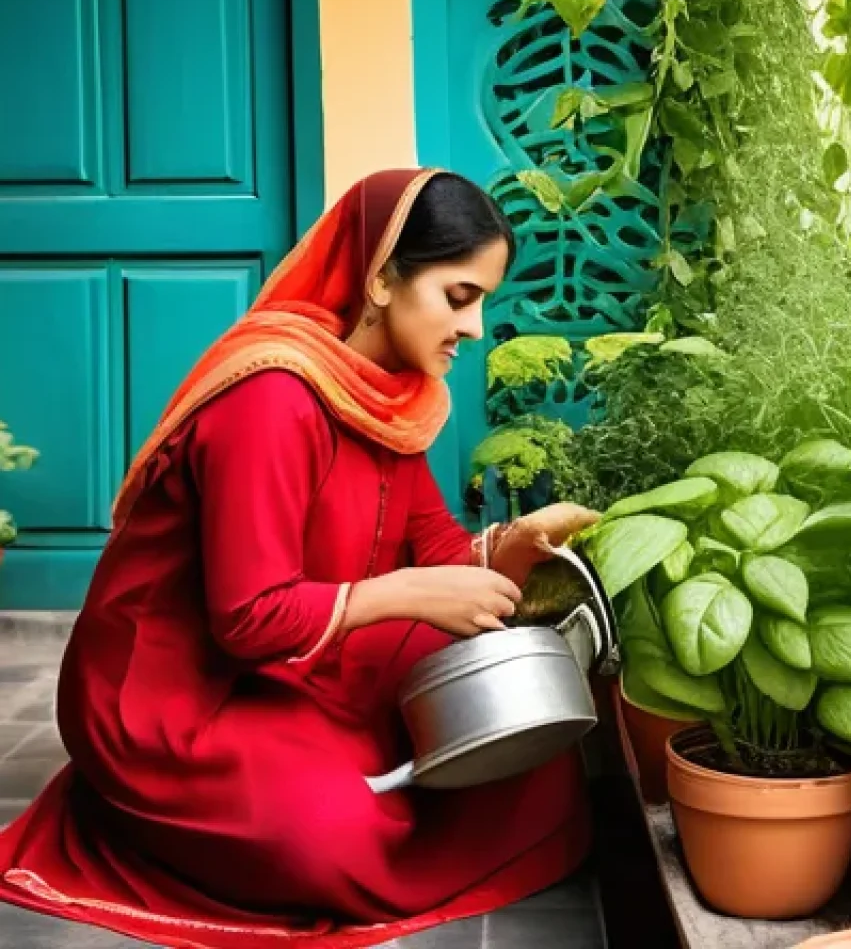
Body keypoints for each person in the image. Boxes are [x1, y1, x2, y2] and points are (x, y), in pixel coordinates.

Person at [0, 168, 601, 948]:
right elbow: (248, 621)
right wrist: (409, 593)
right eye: (460, 296)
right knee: (335, 835)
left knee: (532, 745)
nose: (477, 327)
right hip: (171, 694)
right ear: (383, 278)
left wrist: (516, 546)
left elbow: (441, 553)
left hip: (301, 652)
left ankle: (335, 777)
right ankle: (136, 811)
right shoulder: (271, 399)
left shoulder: (385, 391)